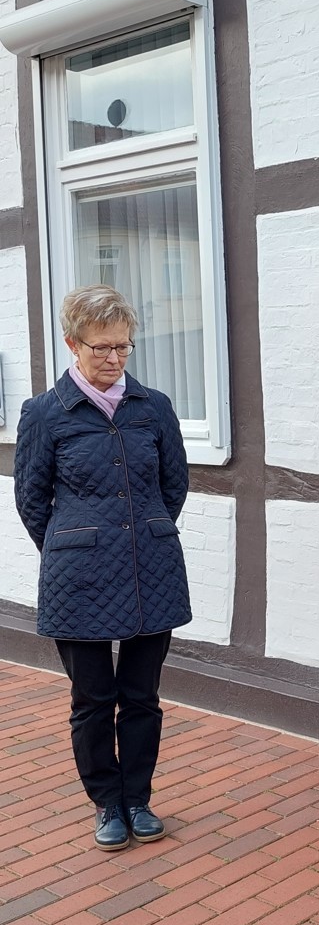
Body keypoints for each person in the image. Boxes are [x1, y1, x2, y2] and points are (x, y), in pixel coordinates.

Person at [14, 284, 191, 851]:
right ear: (73, 344)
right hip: (77, 579)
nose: (114, 358)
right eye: (101, 348)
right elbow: (31, 500)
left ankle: (138, 799)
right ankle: (107, 803)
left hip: (151, 569)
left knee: (141, 696)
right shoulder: (45, 413)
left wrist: (141, 532)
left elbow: (173, 485)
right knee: (92, 699)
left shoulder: (153, 406)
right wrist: (74, 544)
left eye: (123, 346)